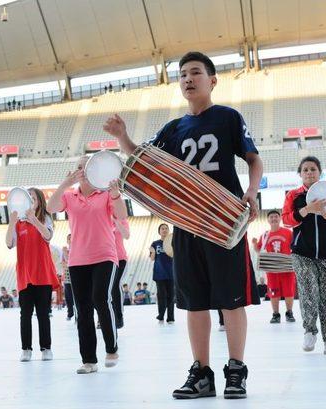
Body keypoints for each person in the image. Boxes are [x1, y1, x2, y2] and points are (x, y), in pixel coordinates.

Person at [104, 51, 263, 399]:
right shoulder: (174, 128)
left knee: (231, 301)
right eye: (182, 75)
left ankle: (236, 371)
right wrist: (122, 136)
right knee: (194, 303)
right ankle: (201, 373)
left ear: (212, 80)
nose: (188, 79)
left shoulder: (228, 118)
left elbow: (254, 158)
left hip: (225, 223)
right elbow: (142, 159)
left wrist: (251, 191)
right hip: (187, 225)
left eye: (195, 73)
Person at [47, 156, 128, 374]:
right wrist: (65, 184)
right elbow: (50, 207)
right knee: (82, 310)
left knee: (101, 299)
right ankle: (89, 360)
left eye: (87, 167)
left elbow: (121, 216)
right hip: (78, 259)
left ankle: (112, 348)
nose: (83, 170)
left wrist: (115, 194)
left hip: (105, 256)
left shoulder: (105, 194)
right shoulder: (69, 196)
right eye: (79, 167)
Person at [282, 156, 326, 355]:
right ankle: (309, 331)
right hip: (302, 253)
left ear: (320, 172)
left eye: (313, 169)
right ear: (300, 174)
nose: (309, 172)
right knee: (308, 292)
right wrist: (306, 210)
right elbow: (286, 220)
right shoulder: (293, 196)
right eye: (305, 170)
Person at [6, 187, 60, 362]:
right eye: (28, 199)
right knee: (25, 314)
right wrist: (12, 223)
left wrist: (34, 219)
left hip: (42, 273)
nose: (30, 202)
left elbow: (48, 235)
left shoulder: (45, 219)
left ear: (39, 202)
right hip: (24, 274)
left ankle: (46, 348)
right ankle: (26, 349)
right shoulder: (19, 224)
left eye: (34, 199)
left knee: (43, 313)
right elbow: (9, 243)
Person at [252, 210, 296, 324]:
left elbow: (295, 248)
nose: (273, 219)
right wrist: (254, 244)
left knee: (289, 292)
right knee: (273, 292)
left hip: (287, 267)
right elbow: (259, 251)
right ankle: (275, 314)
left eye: (276, 216)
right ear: (268, 220)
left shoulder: (288, 232)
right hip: (272, 269)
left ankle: (289, 312)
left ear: (280, 218)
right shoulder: (265, 235)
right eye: (271, 217)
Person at [150, 223, 174, 323]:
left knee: (171, 296)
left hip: (171, 273)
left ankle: (170, 318)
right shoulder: (155, 243)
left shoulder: (173, 242)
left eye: (166, 228)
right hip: (159, 273)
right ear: (159, 231)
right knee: (161, 296)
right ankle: (161, 316)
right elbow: (152, 259)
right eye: (162, 229)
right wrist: (153, 252)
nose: (164, 230)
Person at [112, 217, 130, 328]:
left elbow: (126, 235)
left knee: (115, 284)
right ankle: (108, 315)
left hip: (120, 258)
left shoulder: (122, 219)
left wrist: (115, 221)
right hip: (105, 258)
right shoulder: (100, 216)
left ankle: (119, 316)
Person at [61, 234, 75, 320]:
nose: (70, 240)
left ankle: (77, 312)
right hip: (67, 277)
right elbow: (64, 262)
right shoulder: (65, 250)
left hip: (75, 276)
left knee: (76, 295)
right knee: (68, 296)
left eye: (72, 238)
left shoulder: (77, 250)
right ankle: (70, 313)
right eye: (69, 239)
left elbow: (69, 261)